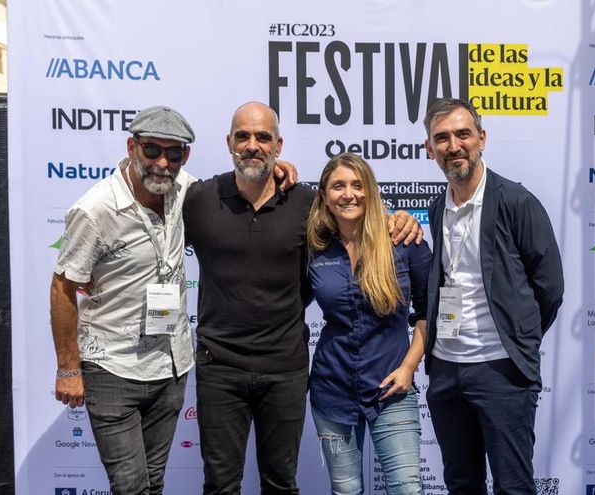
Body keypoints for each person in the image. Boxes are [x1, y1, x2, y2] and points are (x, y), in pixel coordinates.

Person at [182, 102, 422, 495]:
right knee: (220, 485)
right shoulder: (200, 198)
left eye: (263, 137)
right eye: (243, 136)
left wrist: (399, 217)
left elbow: (355, 215)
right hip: (220, 367)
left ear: (278, 145)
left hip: (286, 369)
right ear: (229, 142)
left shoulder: (305, 204)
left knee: (282, 484)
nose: (252, 145)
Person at [50, 105, 197, 494]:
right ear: (132, 147)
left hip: (170, 365)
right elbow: (62, 288)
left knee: (154, 481)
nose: (162, 163)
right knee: (130, 486)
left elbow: (238, 190)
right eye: (152, 150)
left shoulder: (186, 189)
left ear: (185, 156)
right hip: (112, 367)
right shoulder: (95, 209)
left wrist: (278, 170)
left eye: (174, 153)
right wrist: (68, 368)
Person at [421, 98, 564, 495]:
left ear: (481, 139)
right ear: (430, 148)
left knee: (513, 486)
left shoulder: (516, 201)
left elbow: (550, 286)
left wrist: (517, 337)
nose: (453, 146)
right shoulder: (437, 208)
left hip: (502, 370)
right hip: (446, 369)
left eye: (463, 134)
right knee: (461, 484)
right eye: (441, 138)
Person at [306, 153, 431, 495]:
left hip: (392, 388)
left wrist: (408, 368)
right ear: (324, 196)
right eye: (338, 186)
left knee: (406, 489)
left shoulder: (404, 243)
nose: (349, 194)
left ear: (370, 191)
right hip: (332, 389)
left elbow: (428, 313)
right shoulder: (314, 249)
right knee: (346, 491)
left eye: (357, 185)